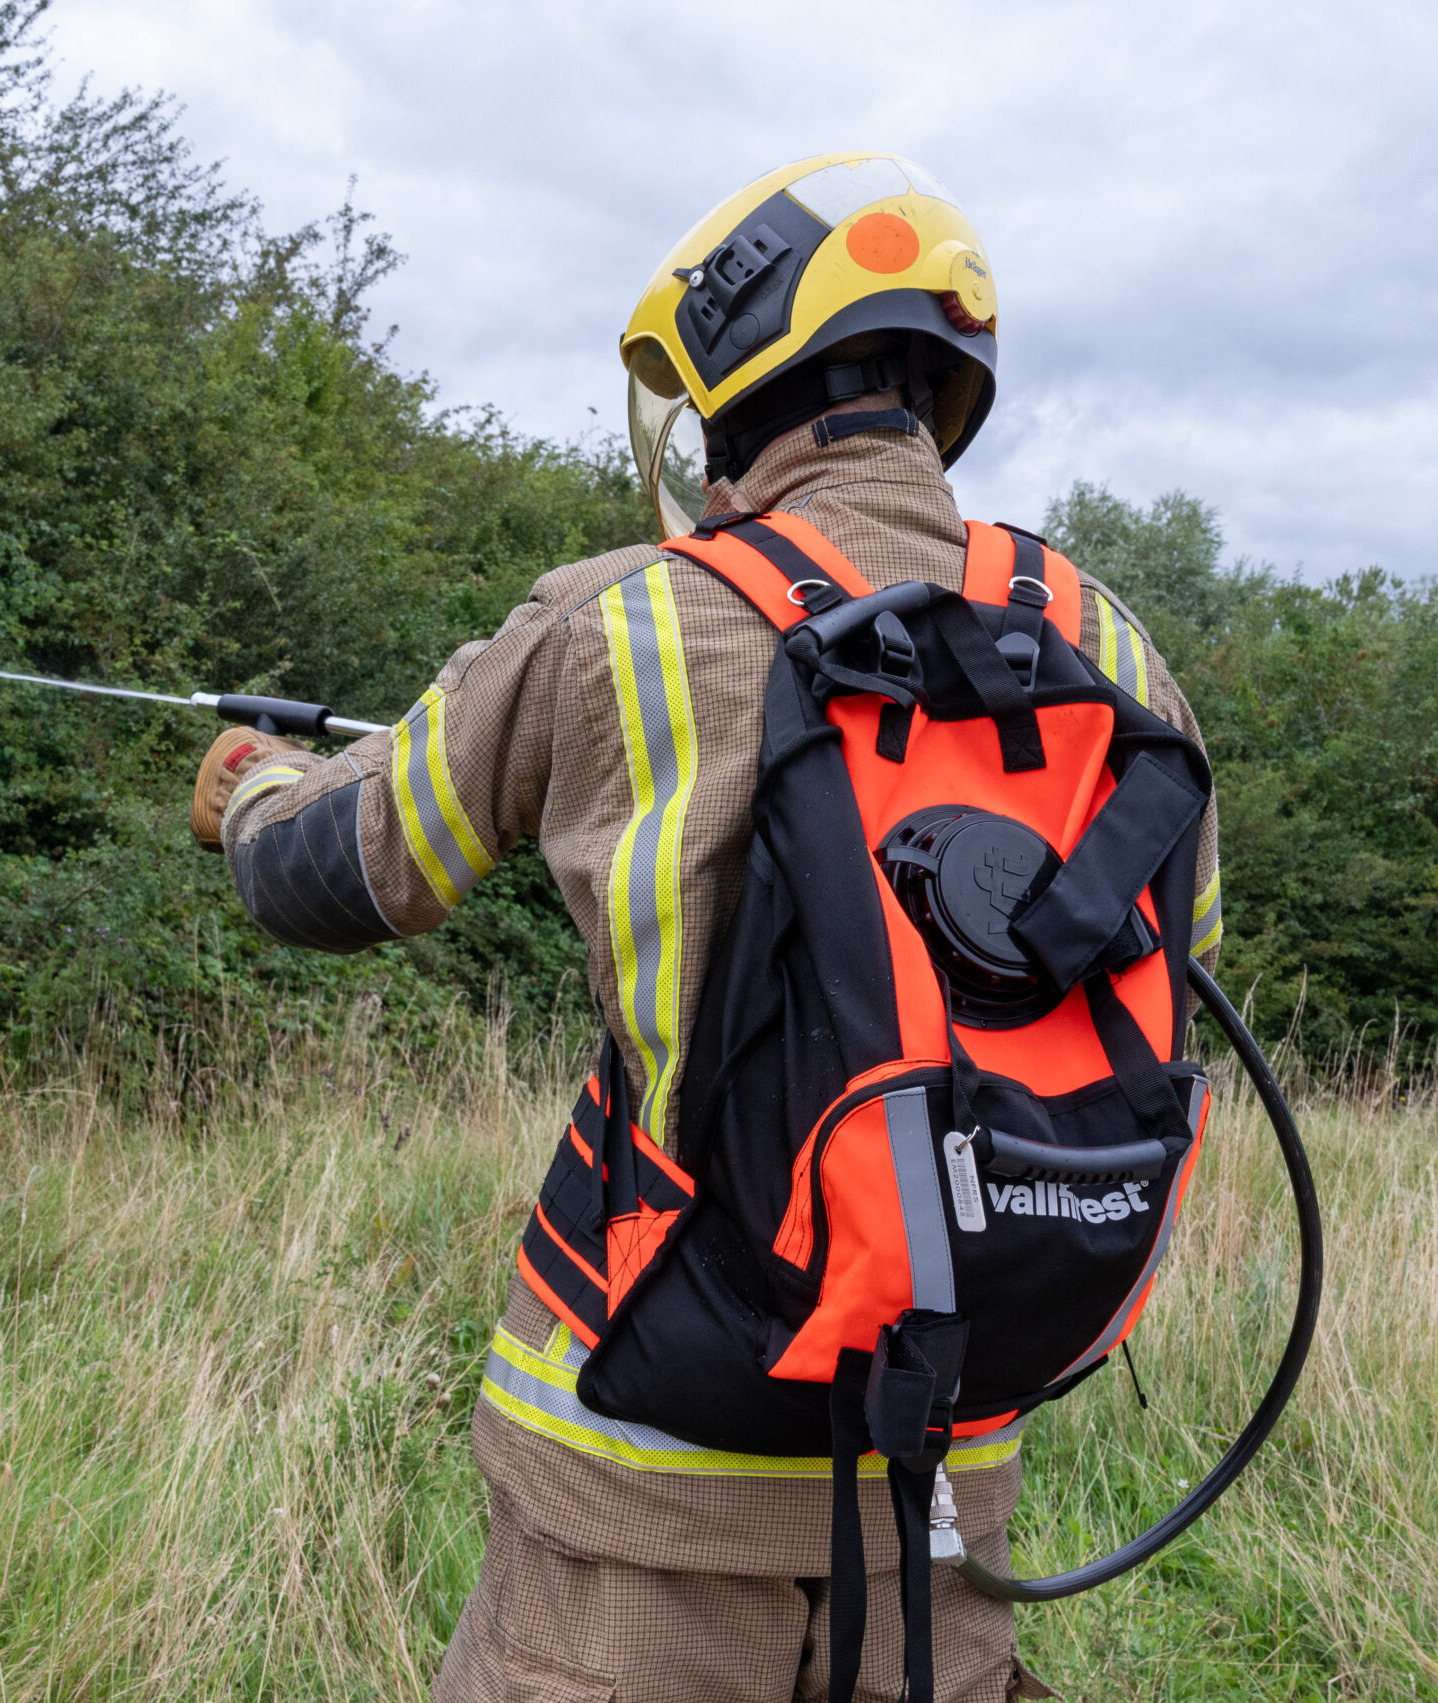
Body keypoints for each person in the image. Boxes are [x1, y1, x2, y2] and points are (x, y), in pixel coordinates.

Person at [190, 153, 1221, 1703]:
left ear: (739, 382)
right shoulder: (1108, 648)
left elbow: (342, 877)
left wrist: (258, 788)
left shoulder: (628, 620)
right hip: (948, 1468)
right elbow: (1178, 975)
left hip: (641, 1487)